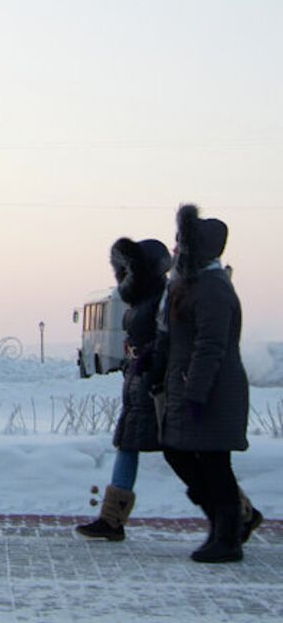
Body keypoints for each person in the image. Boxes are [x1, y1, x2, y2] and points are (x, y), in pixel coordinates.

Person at [160, 203, 257, 563]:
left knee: (215, 462)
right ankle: (227, 523)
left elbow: (210, 346)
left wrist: (196, 393)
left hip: (214, 389)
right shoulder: (193, 285)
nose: (175, 250)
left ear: (197, 249)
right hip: (196, 384)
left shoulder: (213, 289)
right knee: (178, 451)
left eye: (180, 244)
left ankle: (228, 535)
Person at [76, 236, 171, 541]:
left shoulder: (163, 296)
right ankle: (112, 520)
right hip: (138, 381)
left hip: (156, 383)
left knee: (186, 454)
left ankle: (238, 512)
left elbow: (169, 339)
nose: (126, 273)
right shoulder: (142, 297)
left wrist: (149, 360)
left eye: (131, 267)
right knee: (128, 445)